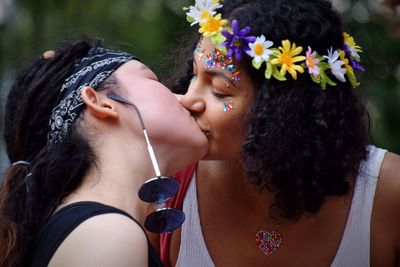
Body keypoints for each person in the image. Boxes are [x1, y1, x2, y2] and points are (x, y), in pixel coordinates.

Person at [160, 0, 400, 266]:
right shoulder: (164, 185)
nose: (186, 99)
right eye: (194, 75)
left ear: (284, 109)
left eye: (219, 90)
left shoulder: (389, 192)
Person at [0, 39, 208, 267]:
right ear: (102, 102)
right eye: (152, 78)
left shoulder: (92, 230)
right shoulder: (108, 235)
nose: (185, 98)